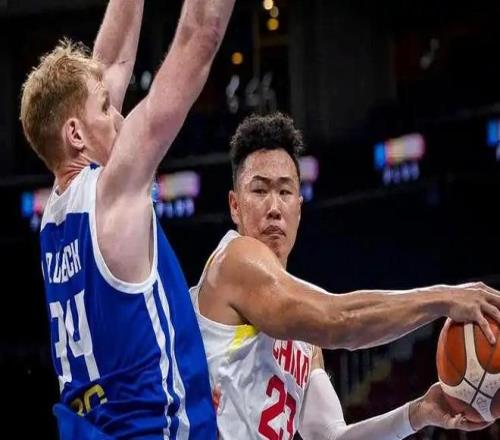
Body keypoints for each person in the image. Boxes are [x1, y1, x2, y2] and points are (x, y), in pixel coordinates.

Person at [189, 112, 500, 439]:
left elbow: (332, 437)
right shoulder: (235, 260)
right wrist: (444, 298)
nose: (274, 208)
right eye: (259, 190)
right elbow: (339, 321)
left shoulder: (305, 339)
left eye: (284, 192)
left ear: (299, 206)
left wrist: (419, 412)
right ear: (235, 206)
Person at [19, 0, 235, 438]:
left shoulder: (54, 219)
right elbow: (200, 38)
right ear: (76, 134)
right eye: (106, 108)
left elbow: (113, 63)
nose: (119, 117)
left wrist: (97, 95)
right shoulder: (112, 192)